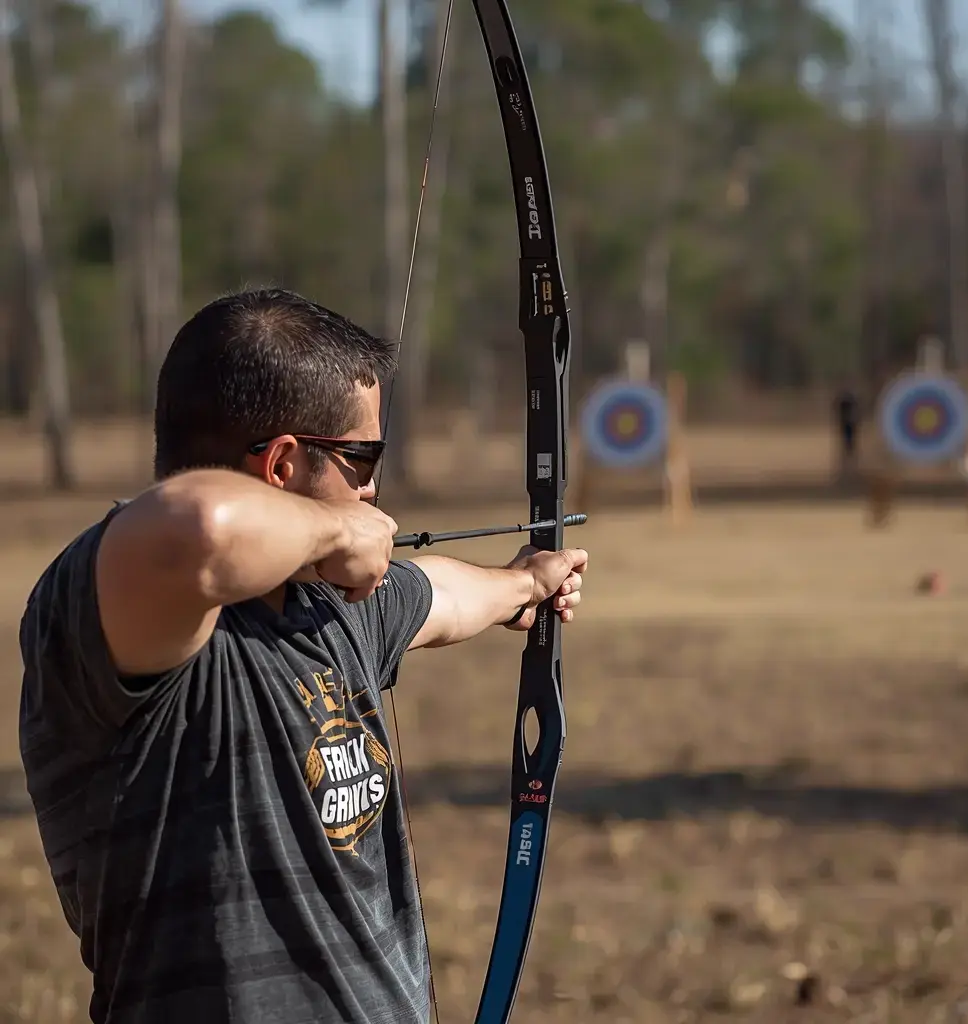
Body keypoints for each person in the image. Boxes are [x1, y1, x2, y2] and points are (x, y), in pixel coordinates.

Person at [18, 288, 587, 1024]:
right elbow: (197, 527)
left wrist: (523, 583)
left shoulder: (324, 605)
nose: (374, 487)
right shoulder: (119, 611)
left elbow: (440, 598)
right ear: (284, 463)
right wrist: (335, 531)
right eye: (362, 458)